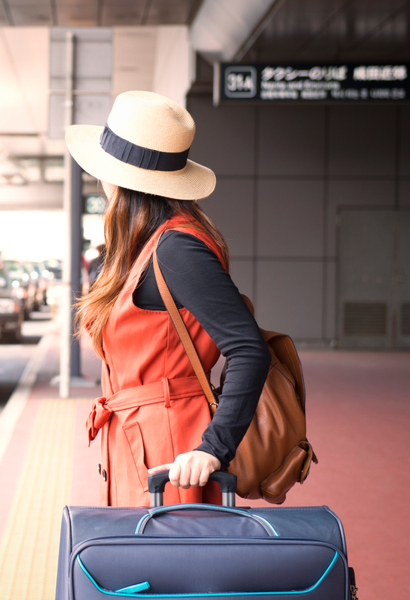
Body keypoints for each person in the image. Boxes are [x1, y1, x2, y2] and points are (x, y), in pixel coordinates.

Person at [68, 91, 270, 507]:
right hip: (143, 441)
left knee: (167, 566)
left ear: (119, 180)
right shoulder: (149, 246)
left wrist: (214, 447)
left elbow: (249, 349)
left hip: (170, 451)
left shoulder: (176, 249)